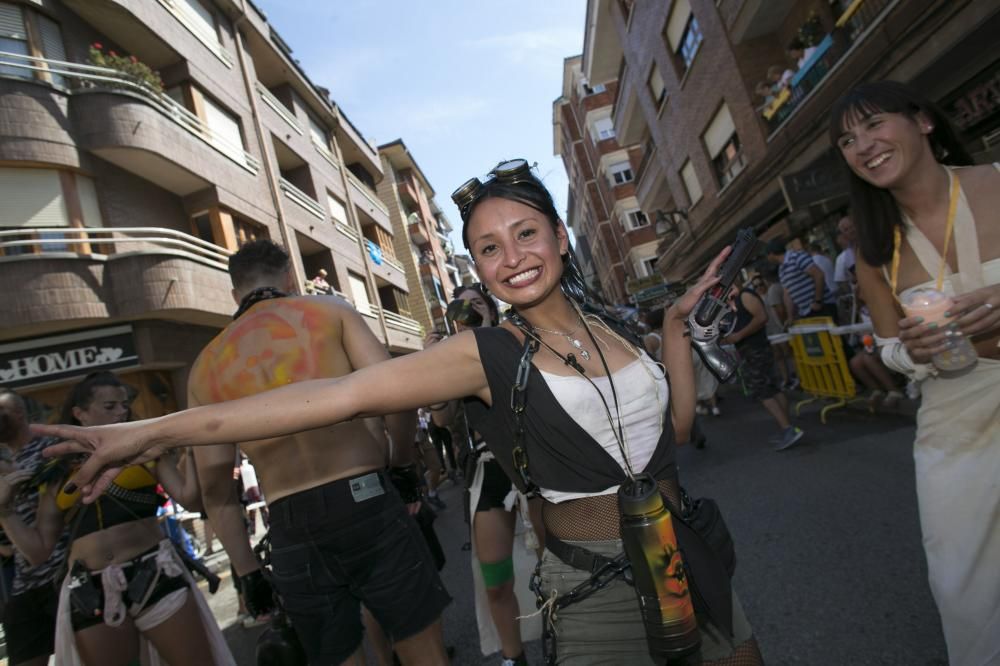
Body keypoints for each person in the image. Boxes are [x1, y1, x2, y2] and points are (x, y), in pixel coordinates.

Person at [39, 159, 763, 665]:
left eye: (525, 234)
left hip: (689, 549)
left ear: (559, 236)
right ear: (476, 267)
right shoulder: (483, 351)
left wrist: (671, 331)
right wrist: (154, 429)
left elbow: (674, 433)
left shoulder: (616, 330)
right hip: (594, 577)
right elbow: (332, 396)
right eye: (487, 247)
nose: (510, 257)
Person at [185, 239, 448, 666]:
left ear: (234, 293)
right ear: (289, 278)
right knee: (424, 651)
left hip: (290, 524)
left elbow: (216, 490)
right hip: (366, 500)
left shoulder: (206, 365)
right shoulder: (330, 313)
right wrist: (401, 464)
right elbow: (396, 396)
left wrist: (247, 570)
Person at [830, 79, 1000, 666]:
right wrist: (914, 351)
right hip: (956, 423)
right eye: (848, 140)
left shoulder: (996, 182)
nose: (863, 145)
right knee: (964, 587)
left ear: (923, 121)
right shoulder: (875, 249)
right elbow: (887, 349)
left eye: (874, 124)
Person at [0, 376, 232, 666]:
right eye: (109, 406)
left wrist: (193, 450)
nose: (121, 412)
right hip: (89, 589)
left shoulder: (146, 451)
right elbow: (38, 551)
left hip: (153, 571)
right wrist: (4, 511)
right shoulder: (57, 471)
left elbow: (190, 498)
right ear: (79, 413)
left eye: (124, 405)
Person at [428, 283, 541, 666]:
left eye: (476, 304)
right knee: (496, 580)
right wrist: (433, 361)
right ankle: (514, 657)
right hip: (488, 474)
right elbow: (441, 417)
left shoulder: (514, 340)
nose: (469, 312)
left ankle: (572, 641)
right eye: (459, 308)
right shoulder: (449, 360)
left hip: (533, 466)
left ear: (491, 309)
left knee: (556, 566)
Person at [0, 388, 68, 666]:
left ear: (19, 413)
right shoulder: (6, 461)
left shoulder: (48, 451)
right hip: (25, 583)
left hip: (62, 576)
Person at [722, 278, 805, 451]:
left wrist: (739, 336)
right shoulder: (735, 299)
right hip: (751, 350)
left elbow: (762, 317)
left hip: (756, 349)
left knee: (762, 390)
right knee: (772, 388)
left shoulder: (745, 295)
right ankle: (787, 427)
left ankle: (788, 428)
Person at [766, 238, 838, 321]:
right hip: (806, 313)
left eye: (767, 256)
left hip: (823, 307)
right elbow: (787, 294)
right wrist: (790, 317)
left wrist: (818, 301)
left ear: (771, 254)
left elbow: (819, 275)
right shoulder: (781, 269)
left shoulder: (797, 257)